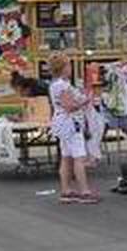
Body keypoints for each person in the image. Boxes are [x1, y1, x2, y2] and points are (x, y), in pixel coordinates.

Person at [47, 52, 99, 204]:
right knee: (79, 157)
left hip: (62, 123)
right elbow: (68, 106)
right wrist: (84, 102)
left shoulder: (56, 84)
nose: (70, 68)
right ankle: (84, 191)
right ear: (62, 68)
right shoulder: (62, 86)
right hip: (70, 124)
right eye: (68, 65)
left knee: (66, 157)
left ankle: (66, 189)